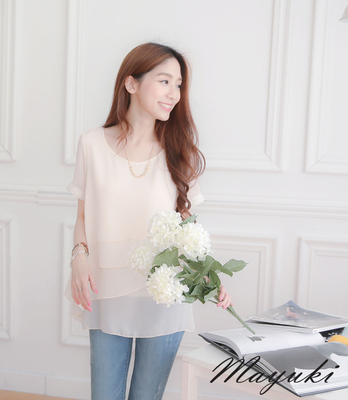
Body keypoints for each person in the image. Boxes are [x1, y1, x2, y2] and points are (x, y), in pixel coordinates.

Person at [64, 42, 233, 400]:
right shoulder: (92, 144)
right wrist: (79, 256)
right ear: (131, 84)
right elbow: (82, 216)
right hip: (108, 288)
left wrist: (209, 273)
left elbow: (186, 230)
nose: (174, 93)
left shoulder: (180, 150)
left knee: (147, 396)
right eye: (164, 81)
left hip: (164, 292)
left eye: (179, 84)